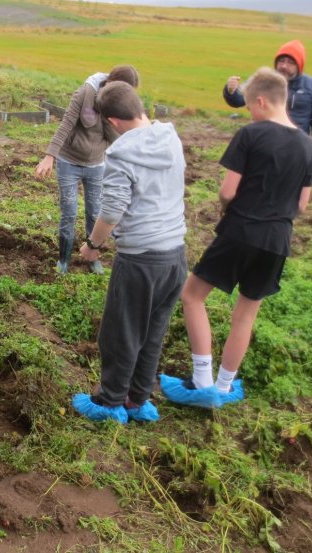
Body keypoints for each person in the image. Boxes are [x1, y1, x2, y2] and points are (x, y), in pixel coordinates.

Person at [162, 68, 312, 409]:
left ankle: (201, 381)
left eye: (249, 106)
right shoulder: (308, 144)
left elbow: (228, 190)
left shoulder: (251, 134)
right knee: (245, 315)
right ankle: (226, 386)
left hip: (242, 230)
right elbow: (302, 205)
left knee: (193, 295)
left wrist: (224, 204)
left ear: (260, 100)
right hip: (278, 240)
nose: (249, 113)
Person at [71, 81, 188, 423]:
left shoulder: (121, 154)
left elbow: (111, 211)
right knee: (152, 332)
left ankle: (109, 404)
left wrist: (93, 246)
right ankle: (138, 401)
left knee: (121, 332)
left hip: (140, 259)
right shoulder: (170, 137)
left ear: (113, 122)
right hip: (174, 256)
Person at [34, 65, 140, 274]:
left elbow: (119, 138)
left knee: (95, 211)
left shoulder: (119, 106)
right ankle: (63, 260)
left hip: (96, 165)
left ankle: (93, 257)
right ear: (111, 82)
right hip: (69, 161)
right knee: (69, 210)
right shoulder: (86, 93)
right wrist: (49, 157)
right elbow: (65, 125)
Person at [222, 39, 312, 171]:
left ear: (300, 65)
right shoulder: (263, 80)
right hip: (264, 145)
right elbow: (239, 100)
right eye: (281, 61)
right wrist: (231, 91)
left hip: (296, 149)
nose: (284, 66)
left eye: (290, 62)